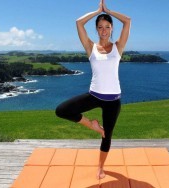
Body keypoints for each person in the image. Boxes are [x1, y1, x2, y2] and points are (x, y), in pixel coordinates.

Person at [55, 0, 131, 179]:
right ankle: (94, 126)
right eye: (100, 27)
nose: (103, 30)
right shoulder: (90, 48)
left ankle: (100, 167)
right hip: (94, 96)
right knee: (62, 110)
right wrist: (97, 11)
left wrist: (108, 11)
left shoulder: (118, 48)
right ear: (96, 29)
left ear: (111, 28)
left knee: (108, 136)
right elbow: (78, 23)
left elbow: (127, 21)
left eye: (107, 26)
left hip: (113, 100)